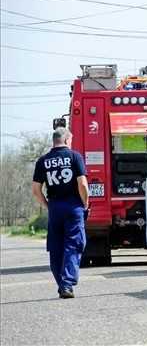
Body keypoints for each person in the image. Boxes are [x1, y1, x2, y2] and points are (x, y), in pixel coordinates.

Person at [32, 127, 89, 298]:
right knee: (74, 244)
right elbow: (83, 184)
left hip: (55, 207)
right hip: (73, 207)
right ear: (66, 140)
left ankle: (62, 284)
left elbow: (36, 190)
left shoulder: (43, 160)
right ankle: (67, 284)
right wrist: (85, 203)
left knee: (56, 247)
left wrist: (48, 206)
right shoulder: (74, 156)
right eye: (70, 140)